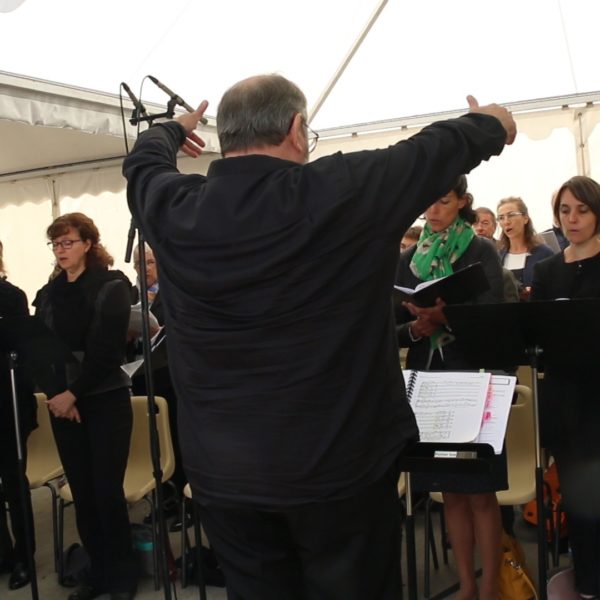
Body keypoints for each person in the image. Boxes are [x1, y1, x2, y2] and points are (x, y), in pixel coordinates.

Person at [123, 73, 515, 599]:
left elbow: (142, 165)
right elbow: (435, 148)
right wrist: (492, 122)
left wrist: (171, 129)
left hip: (225, 477)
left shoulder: (174, 206)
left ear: (225, 135)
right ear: (296, 128)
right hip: (340, 472)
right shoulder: (341, 188)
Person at [395, 175, 506, 600]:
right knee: (450, 492)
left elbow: (495, 315)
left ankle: (491, 585)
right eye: (427, 201)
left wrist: (446, 318)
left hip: (474, 376)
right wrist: (416, 329)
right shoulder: (408, 258)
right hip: (430, 380)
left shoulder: (480, 250)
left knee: (481, 493)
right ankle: (467, 584)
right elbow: (391, 323)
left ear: (462, 201)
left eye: (442, 200)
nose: (432, 210)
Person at [33, 213, 136, 600]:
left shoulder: (111, 286)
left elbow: (106, 352)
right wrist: (58, 396)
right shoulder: (49, 293)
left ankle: (122, 575)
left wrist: (72, 393)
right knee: (83, 493)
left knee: (107, 493)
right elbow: (39, 349)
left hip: (105, 399)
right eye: (56, 243)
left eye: (68, 242)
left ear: (88, 244)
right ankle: (99, 572)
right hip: (64, 404)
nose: (61, 250)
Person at [531, 175, 600, 599]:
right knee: (578, 499)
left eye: (582, 210)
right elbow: (538, 335)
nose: (572, 219)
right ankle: (588, 584)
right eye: (564, 210)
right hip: (566, 399)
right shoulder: (547, 270)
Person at [130, 244, 186, 524]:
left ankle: (184, 504)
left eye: (150, 262)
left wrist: (162, 331)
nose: (145, 269)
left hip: (170, 379)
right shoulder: (131, 297)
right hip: (141, 379)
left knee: (174, 441)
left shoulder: (173, 293)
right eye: (139, 264)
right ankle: (163, 502)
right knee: (153, 445)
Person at [0, 240, 37, 591]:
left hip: (7, 403)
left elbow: (23, 355)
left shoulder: (11, 297)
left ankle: (25, 557)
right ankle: (3, 553)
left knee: (14, 483)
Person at [497, 196, 553, 299]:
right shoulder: (498, 256)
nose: (506, 222)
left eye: (511, 215)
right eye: (501, 218)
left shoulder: (544, 253)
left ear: (525, 218)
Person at [472, 206, 520, 302]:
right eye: (475, 223)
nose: (479, 228)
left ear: (494, 227)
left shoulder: (506, 251)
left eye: (485, 223)